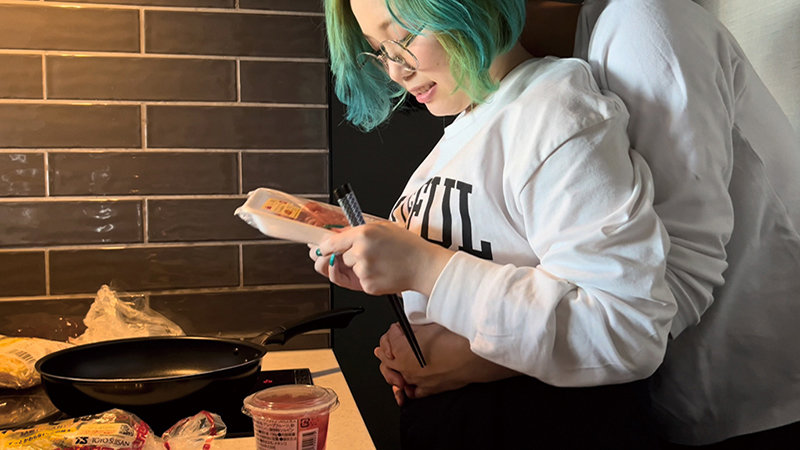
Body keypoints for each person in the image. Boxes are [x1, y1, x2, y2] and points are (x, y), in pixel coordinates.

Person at [375, 0, 800, 448]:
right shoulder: (525, 87)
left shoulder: (641, 24)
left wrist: (474, 353)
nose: (397, 69)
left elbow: (676, 270)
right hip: (659, 394)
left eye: (407, 33)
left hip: (753, 394)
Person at [312, 0, 680, 448]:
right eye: (379, 51)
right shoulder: (467, 126)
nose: (395, 71)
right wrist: (383, 259)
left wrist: (423, 268)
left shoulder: (554, 108)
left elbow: (626, 329)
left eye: (402, 38)